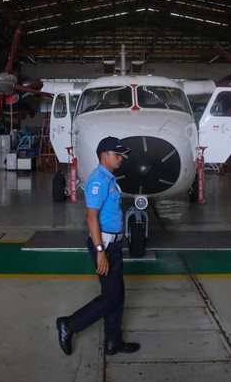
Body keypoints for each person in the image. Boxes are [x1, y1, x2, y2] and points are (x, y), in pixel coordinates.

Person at [56, 136, 140, 356]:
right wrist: (101, 251)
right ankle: (70, 324)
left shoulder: (110, 179)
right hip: (104, 244)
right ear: (104, 155)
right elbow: (91, 217)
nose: (120, 158)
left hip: (114, 244)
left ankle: (113, 342)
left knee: (117, 294)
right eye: (116, 154)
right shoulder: (98, 181)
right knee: (111, 296)